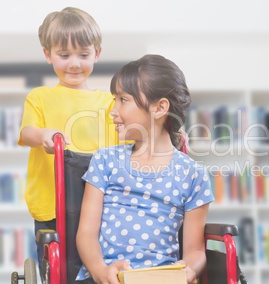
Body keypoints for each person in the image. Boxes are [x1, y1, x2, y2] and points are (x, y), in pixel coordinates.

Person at [76, 54, 215, 284]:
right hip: (107, 276)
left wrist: (189, 269)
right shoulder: (105, 160)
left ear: (160, 107)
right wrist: (101, 271)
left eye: (123, 100)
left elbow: (195, 251)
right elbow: (86, 234)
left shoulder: (193, 175)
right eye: (114, 99)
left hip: (161, 278)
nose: (113, 110)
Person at [17, 7, 117, 281]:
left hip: (100, 205)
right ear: (48, 55)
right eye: (64, 55)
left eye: (83, 55)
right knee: (59, 267)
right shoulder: (40, 97)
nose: (74, 63)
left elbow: (131, 134)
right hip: (52, 202)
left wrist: (166, 135)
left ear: (97, 53)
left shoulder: (109, 102)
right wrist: (42, 135)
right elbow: (27, 132)